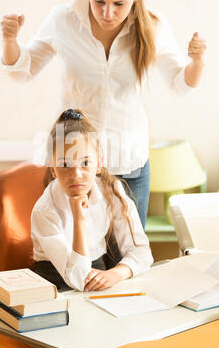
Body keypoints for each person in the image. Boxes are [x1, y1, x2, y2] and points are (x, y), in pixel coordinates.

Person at [0, 0, 207, 228]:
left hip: (129, 165)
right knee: (71, 259)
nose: (107, 13)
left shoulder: (154, 26)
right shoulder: (63, 20)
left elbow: (181, 84)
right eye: (98, 1)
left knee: (129, 260)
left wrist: (198, 61)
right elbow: (24, 70)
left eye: (119, 4)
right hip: (72, 165)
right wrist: (10, 41)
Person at [31, 108, 154, 292]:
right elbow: (79, 279)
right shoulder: (44, 211)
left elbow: (142, 252)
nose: (76, 174)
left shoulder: (111, 191)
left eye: (85, 162)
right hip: (55, 283)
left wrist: (116, 273)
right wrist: (79, 219)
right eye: (64, 165)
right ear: (52, 168)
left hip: (99, 273)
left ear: (99, 163)